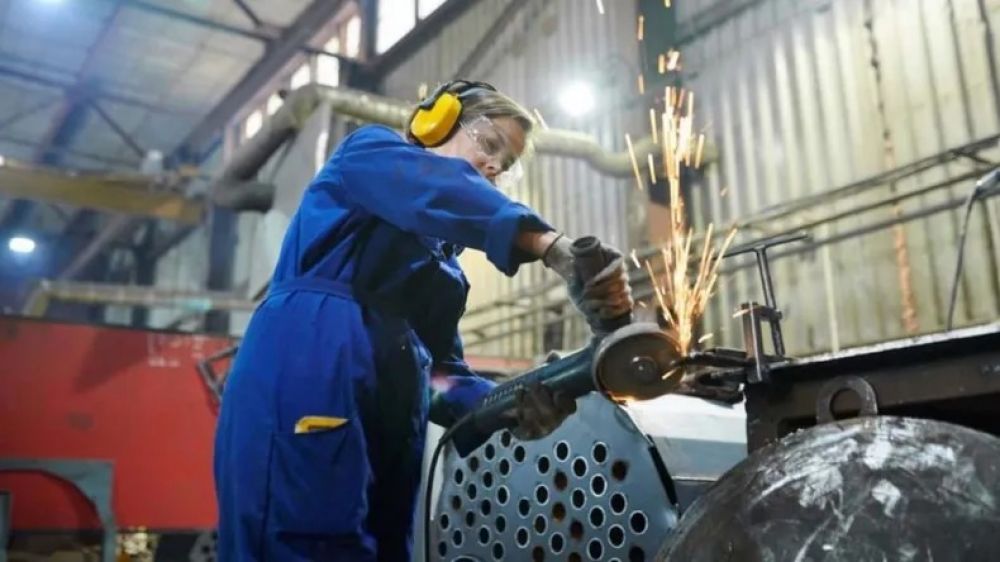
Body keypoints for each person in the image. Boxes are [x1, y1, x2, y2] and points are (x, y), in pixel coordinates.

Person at [213, 80, 633, 561]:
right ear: (437, 122)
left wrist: (513, 403)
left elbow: (440, 377)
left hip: (389, 412)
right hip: (310, 361)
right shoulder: (369, 155)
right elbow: (436, 189)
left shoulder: (443, 270)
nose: (494, 167)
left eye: (505, 165)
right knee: (302, 539)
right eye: (489, 144)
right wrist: (551, 247)